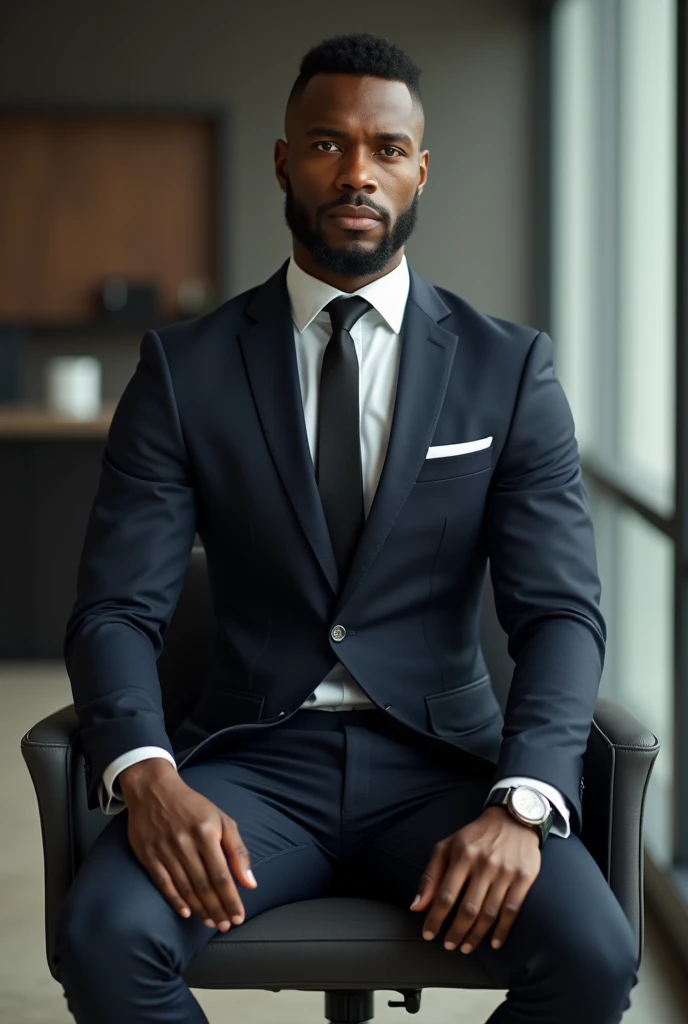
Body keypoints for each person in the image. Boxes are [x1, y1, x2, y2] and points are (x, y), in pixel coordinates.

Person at [53, 31, 639, 1024]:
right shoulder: (182, 371)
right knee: (105, 937)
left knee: (591, 952)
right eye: (327, 144)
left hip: (444, 767)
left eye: (385, 148)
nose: (356, 172)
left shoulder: (510, 369)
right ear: (284, 162)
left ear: (419, 170)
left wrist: (524, 798)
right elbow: (115, 608)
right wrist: (146, 775)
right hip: (251, 764)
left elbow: (560, 615)